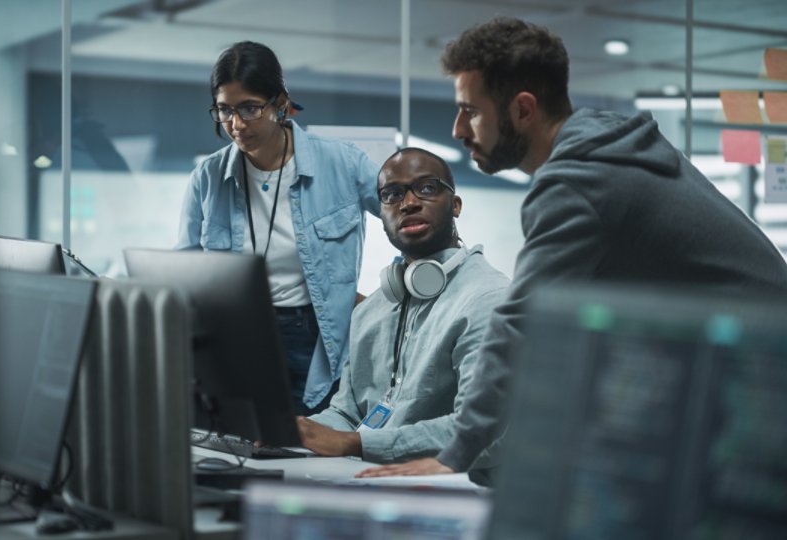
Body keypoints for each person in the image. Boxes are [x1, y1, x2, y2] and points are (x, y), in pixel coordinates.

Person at [358, 17, 787, 478]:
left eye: (472, 111)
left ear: (523, 109)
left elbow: (522, 329)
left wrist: (456, 456)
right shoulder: (610, 150)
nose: (459, 129)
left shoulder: (578, 181)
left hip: (757, 391)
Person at [176, 41, 381, 415]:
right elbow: (186, 271)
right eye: (224, 110)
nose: (237, 124)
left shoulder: (343, 163)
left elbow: (411, 220)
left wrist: (388, 301)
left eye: (250, 108)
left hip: (315, 337)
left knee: (312, 449)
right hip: (239, 336)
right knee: (243, 445)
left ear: (281, 103)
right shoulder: (207, 178)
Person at [296, 148, 509, 480]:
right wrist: (294, 432)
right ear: (381, 214)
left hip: (449, 491)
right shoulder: (370, 310)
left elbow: (486, 430)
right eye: (392, 194)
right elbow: (347, 413)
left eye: (426, 188)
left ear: (455, 204)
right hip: (367, 478)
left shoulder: (489, 299)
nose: (408, 202)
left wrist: (355, 443)